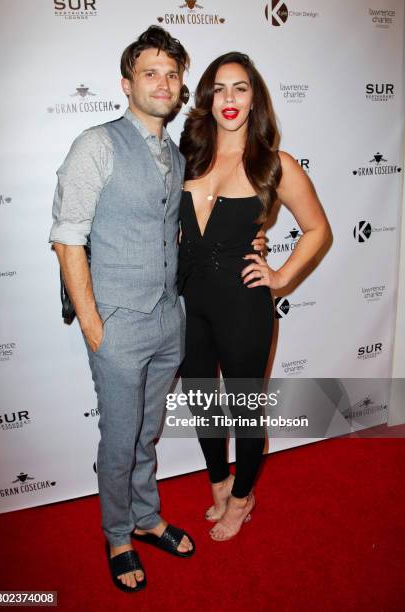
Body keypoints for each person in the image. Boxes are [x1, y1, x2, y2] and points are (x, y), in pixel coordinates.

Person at [49, 26, 198, 594]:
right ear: (126, 83)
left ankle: (145, 514)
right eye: (150, 72)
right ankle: (117, 534)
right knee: (119, 435)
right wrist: (92, 323)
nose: (163, 82)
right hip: (116, 322)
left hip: (167, 320)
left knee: (146, 432)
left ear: (181, 85)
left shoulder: (177, 154)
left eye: (171, 73)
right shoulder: (98, 143)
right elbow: (67, 237)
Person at [178, 52, 332, 542]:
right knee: (201, 402)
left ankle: (243, 498)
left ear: (254, 98)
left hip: (243, 306)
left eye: (240, 88)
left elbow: (317, 229)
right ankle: (220, 482)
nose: (229, 99)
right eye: (219, 88)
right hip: (189, 301)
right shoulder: (188, 155)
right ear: (207, 97)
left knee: (244, 408)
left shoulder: (273, 163)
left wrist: (281, 277)